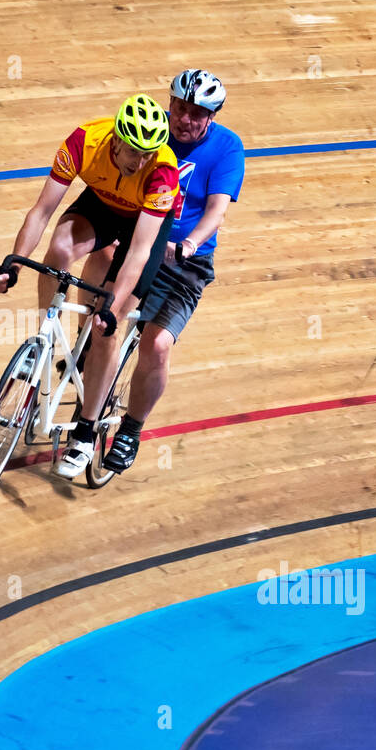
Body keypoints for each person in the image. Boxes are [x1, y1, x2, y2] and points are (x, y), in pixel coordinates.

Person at [0, 93, 180, 479]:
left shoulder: (162, 171)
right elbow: (42, 210)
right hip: (103, 204)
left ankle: (86, 433)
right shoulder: (84, 140)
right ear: (116, 139)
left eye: (148, 154)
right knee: (58, 248)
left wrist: (112, 307)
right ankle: (43, 342)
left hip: (142, 226)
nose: (140, 162)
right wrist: (12, 263)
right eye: (134, 152)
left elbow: (140, 251)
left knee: (109, 324)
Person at [98, 68, 246, 473]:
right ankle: (85, 356)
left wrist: (190, 244)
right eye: (180, 108)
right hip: (139, 242)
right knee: (103, 310)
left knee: (158, 344)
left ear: (211, 117)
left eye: (196, 113)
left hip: (185, 260)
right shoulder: (150, 132)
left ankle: (130, 429)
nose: (184, 119)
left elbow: (217, 209)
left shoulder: (228, 148)